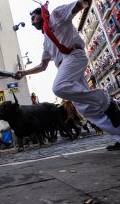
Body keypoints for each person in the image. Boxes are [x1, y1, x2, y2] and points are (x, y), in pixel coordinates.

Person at [14, 0, 120, 151]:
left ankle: (106, 101)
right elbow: (43, 66)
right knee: (86, 109)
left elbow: (79, 5)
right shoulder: (46, 41)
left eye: (33, 18)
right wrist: (24, 72)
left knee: (59, 87)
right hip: (66, 67)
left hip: (74, 56)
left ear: (41, 13)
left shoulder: (56, 15)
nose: (32, 23)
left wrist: (83, 3)